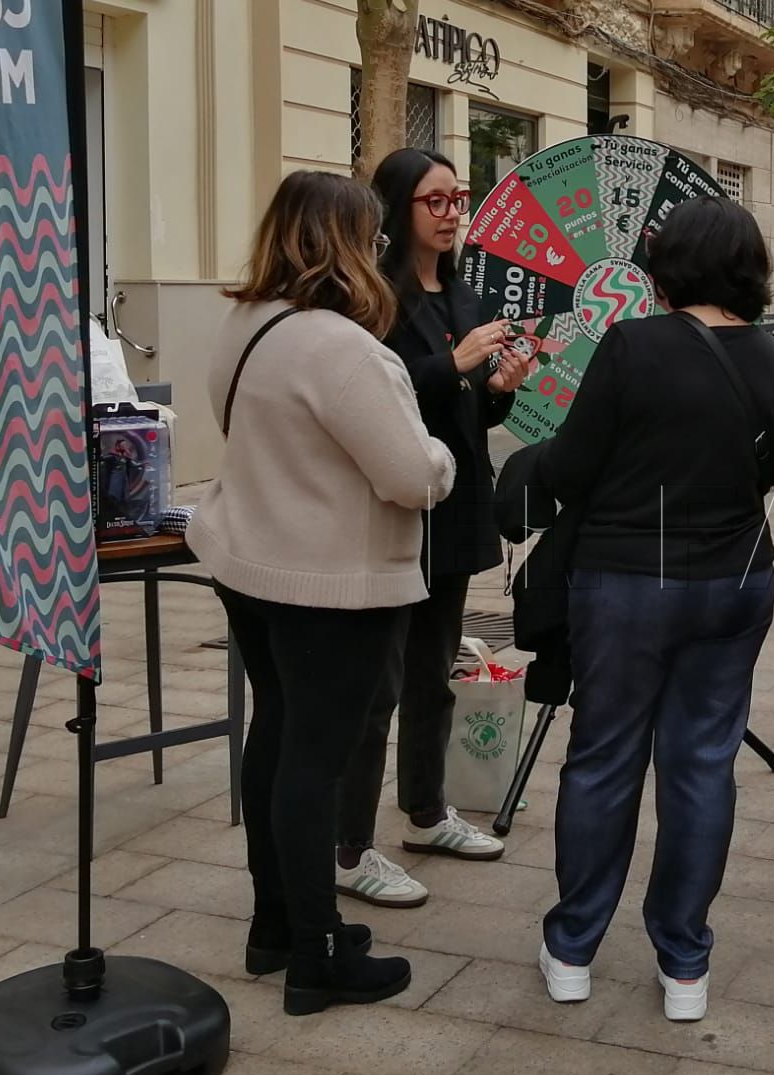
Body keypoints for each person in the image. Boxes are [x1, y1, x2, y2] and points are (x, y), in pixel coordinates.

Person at [190, 171, 456, 1014]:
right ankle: (315, 956)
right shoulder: (342, 349)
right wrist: (443, 460)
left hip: (252, 565)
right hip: (330, 584)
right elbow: (412, 473)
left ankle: (275, 927)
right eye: (372, 236)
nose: (380, 249)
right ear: (346, 244)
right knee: (315, 760)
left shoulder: (246, 322)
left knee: (276, 739)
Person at [534, 197, 774, 1022]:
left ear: (668, 261)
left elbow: (570, 470)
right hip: (738, 577)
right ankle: (685, 963)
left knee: (606, 756)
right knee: (701, 762)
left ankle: (573, 948)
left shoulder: (633, 345)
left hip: (627, 579)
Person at [333, 149, 522, 910]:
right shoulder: (374, 300)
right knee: (377, 685)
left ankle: (426, 811)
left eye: (458, 197)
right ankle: (349, 846)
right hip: (396, 508)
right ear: (396, 209)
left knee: (434, 676)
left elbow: (468, 407)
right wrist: (456, 363)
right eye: (433, 200)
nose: (450, 212)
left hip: (459, 500)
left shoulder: (467, 294)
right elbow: (375, 397)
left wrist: (499, 388)